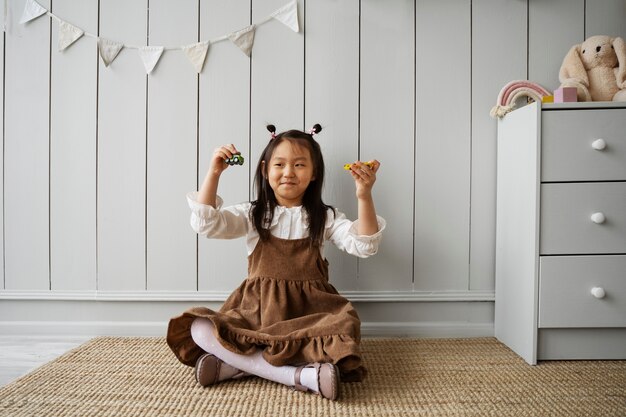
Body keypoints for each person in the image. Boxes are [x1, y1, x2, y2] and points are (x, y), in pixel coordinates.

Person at [166, 124, 385, 401]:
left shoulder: (324, 217)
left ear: (314, 172)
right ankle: (300, 376)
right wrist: (214, 172)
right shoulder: (253, 214)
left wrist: (364, 195)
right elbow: (207, 224)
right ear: (265, 170)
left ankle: (235, 367)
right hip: (257, 312)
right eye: (279, 164)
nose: (289, 172)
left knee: (345, 328)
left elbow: (363, 244)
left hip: (311, 312)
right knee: (200, 327)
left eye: (299, 164)